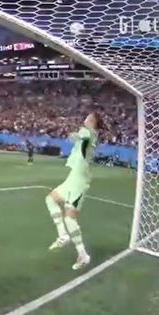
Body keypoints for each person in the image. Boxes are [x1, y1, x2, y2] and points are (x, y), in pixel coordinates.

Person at [46, 113, 101, 270]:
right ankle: (63, 236)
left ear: (93, 122)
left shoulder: (89, 132)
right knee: (50, 199)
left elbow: (82, 136)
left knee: (70, 218)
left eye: (88, 118)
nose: (85, 119)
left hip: (80, 181)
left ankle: (83, 255)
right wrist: (75, 136)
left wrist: (75, 135)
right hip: (73, 177)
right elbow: (78, 139)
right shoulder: (88, 134)